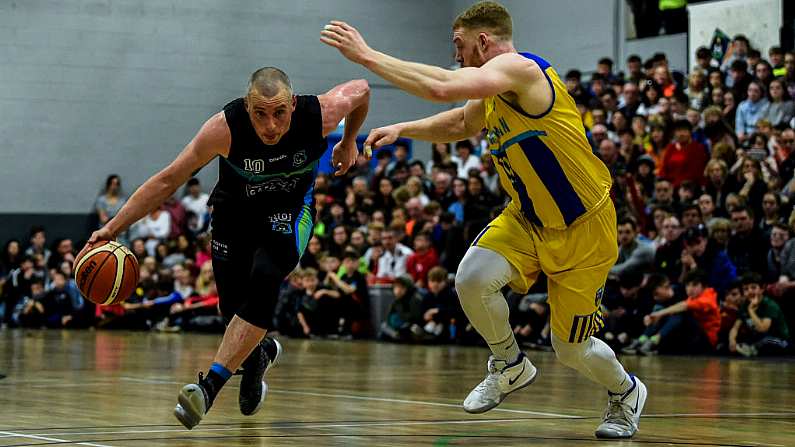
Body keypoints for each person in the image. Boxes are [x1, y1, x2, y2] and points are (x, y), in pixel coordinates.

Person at [322, 2, 645, 438]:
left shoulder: (520, 70)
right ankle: (509, 365)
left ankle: (626, 393)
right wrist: (404, 129)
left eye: (459, 44)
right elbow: (460, 121)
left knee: (571, 350)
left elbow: (443, 88)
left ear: (483, 41)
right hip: (527, 218)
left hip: (583, 226)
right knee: (471, 278)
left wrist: (367, 56)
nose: (455, 54)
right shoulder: (492, 90)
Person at [83, 67, 371, 429]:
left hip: (290, 211)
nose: (270, 125)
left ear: (293, 105)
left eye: (279, 112)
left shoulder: (320, 114)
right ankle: (258, 355)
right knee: (231, 309)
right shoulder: (223, 128)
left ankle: (208, 387)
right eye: (260, 114)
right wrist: (112, 228)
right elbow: (169, 179)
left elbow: (361, 90)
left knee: (267, 277)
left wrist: (349, 141)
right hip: (234, 215)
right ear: (247, 107)